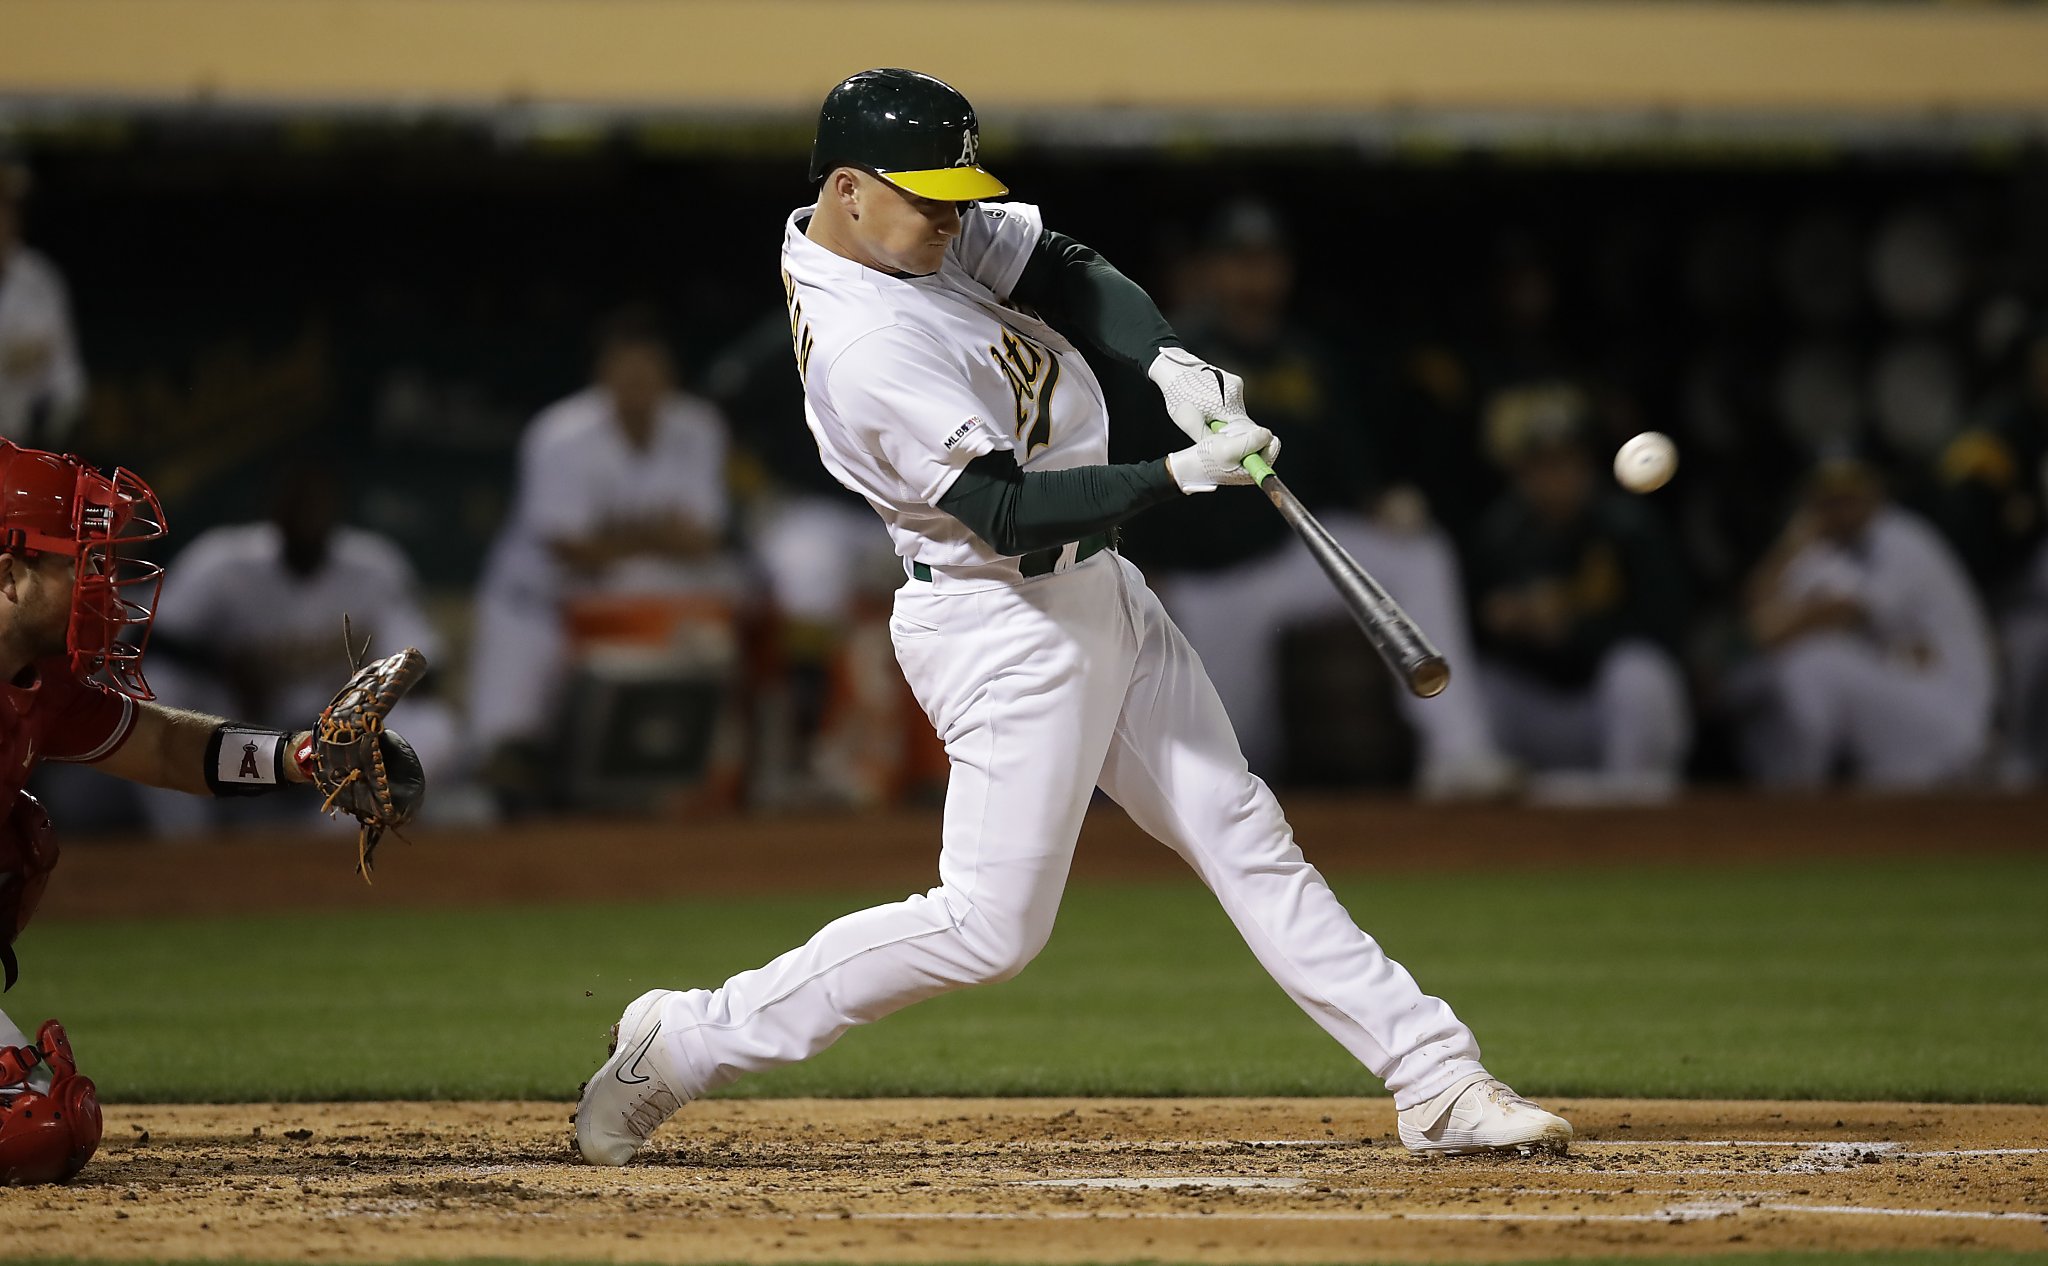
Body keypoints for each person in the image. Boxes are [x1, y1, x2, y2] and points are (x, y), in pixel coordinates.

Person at [574, 68, 1570, 1166]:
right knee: (987, 930)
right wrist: (1179, 474)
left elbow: (1059, 263)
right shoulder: (863, 344)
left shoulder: (904, 229)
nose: (952, 219)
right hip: (1001, 621)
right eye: (928, 198)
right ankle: (681, 1041)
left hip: (1094, 587)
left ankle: (1432, 1077)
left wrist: (1169, 358)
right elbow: (998, 509)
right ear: (847, 190)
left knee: (1240, 831)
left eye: (956, 196)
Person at [0, 440, 425, 1186]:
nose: (105, 583)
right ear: (9, 571)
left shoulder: (40, 678)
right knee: (33, 1131)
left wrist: (300, 757)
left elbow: (163, 747)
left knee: (17, 841)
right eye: (83, 560)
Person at [1149, 199, 1512, 797]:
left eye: (1266, 262)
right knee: (1234, 760)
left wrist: (1385, 503)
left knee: (1417, 553)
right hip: (1204, 584)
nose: (1255, 279)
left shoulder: (1306, 359)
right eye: (1239, 262)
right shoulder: (1175, 352)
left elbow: (1352, 472)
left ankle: (1461, 754)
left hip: (1287, 555)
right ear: (1211, 270)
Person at [468, 308, 738, 806]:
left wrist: (620, 539)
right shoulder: (560, 433)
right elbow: (569, 549)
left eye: (648, 372)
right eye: (625, 373)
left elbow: (705, 538)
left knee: (719, 605)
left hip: (630, 591)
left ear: (668, 376)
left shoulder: (698, 427)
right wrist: (657, 534)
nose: (637, 384)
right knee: (514, 740)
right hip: (538, 601)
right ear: (603, 376)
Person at [134, 463, 463, 833]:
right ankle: (188, 842)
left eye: (317, 505)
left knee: (434, 726)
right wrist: (223, 669)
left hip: (338, 738)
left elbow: (423, 666)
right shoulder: (222, 561)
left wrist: (361, 704)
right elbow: (152, 638)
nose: (308, 515)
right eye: (297, 504)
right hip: (241, 729)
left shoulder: (373, 565)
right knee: (160, 690)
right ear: (274, 510)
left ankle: (328, 838)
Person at [1467, 383, 1693, 803]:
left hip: (1607, 708)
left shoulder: (1626, 527)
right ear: (1521, 474)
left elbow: (1666, 630)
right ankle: (1496, 809)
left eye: (1566, 463)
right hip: (1541, 713)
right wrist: (1511, 625)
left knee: (1641, 673)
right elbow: (1472, 632)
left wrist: (1574, 629)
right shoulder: (1502, 534)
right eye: (1541, 466)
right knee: (1481, 685)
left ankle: (1639, 800)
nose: (1555, 479)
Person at [1740, 454, 1994, 788]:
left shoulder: (1902, 537)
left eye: (1849, 497)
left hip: (1948, 711)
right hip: (1902, 707)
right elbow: (1758, 604)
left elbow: (1837, 613)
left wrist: (1765, 634)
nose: (1839, 509)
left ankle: (1796, 798)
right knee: (1758, 679)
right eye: (1828, 499)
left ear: (1875, 493)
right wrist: (1791, 543)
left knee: (1812, 663)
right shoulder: (1828, 550)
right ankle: (1787, 794)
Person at [0, 158, 86, 449]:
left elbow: (68, 384)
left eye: (7, 207)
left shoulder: (40, 280)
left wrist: (49, 443)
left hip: (19, 448)